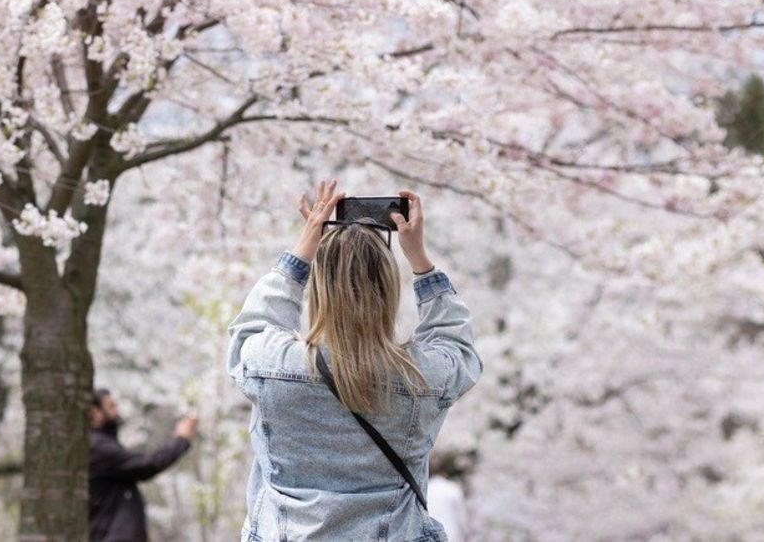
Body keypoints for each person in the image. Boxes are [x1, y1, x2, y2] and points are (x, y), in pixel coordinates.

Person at [226, 179, 483, 541]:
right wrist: (419, 260)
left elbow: (252, 326)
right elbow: (458, 346)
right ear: (388, 289)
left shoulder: (274, 364)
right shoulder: (420, 378)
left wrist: (302, 251)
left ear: (320, 288)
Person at [88, 388, 198, 542]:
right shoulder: (97, 446)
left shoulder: (100, 444)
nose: (117, 411)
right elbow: (145, 465)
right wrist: (181, 439)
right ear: (95, 412)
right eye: (111, 406)